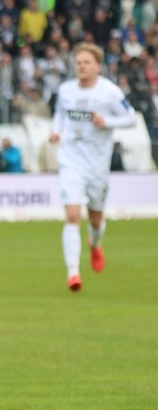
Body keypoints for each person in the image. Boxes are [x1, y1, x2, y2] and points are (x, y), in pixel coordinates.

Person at [48, 42, 136, 292]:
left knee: (96, 219)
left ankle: (95, 244)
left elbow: (131, 118)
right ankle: (73, 274)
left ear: (98, 66)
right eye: (78, 63)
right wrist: (56, 132)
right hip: (71, 160)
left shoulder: (110, 92)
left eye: (86, 62)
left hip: (97, 164)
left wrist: (107, 121)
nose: (82, 66)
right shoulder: (66, 90)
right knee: (73, 215)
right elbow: (60, 115)